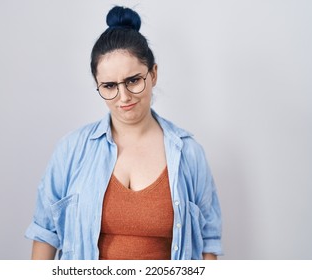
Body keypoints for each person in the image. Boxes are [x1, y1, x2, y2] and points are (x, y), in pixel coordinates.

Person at [25, 6, 222, 260]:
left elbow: (208, 242)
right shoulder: (71, 149)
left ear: (153, 74)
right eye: (109, 86)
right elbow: (44, 234)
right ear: (98, 86)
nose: (124, 97)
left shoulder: (188, 152)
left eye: (133, 80)